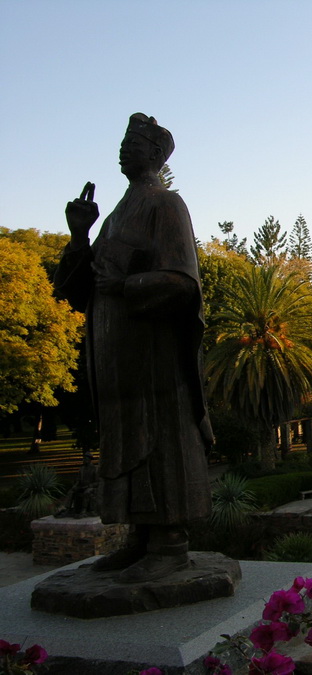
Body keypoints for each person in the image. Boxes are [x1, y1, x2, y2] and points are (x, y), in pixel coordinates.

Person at [55, 113, 213, 583]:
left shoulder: (165, 205)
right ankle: (140, 538)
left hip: (152, 354)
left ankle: (170, 544)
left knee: (158, 435)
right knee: (125, 440)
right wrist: (80, 234)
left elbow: (183, 282)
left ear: (156, 154)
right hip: (113, 352)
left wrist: (129, 285)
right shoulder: (118, 212)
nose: (124, 149)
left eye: (134, 143)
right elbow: (80, 291)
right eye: (123, 141)